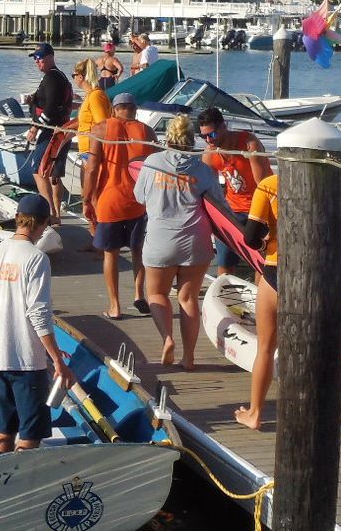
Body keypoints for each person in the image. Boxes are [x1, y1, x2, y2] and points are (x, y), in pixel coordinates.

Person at [0, 194, 74, 453]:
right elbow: (38, 313)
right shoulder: (36, 258)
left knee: (5, 428)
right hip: (26, 361)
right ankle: (20, 475)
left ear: (17, 218)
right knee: (30, 434)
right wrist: (57, 360)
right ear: (45, 223)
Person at [134, 114, 223, 369]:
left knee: (157, 294)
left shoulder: (152, 163)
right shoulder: (204, 170)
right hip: (196, 241)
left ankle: (167, 338)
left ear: (168, 139)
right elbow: (219, 206)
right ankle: (189, 357)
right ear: (191, 140)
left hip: (160, 240)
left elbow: (139, 196)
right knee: (188, 298)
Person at [83, 93, 157, 320]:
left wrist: (86, 199)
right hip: (138, 201)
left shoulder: (101, 129)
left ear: (114, 109)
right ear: (134, 109)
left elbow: (92, 169)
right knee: (138, 250)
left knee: (111, 254)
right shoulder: (147, 132)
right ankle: (139, 294)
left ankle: (115, 306)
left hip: (110, 200)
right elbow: (156, 168)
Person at [198, 107, 272, 275]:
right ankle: (224, 288)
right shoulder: (210, 152)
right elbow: (210, 190)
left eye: (212, 134)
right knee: (224, 261)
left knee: (261, 262)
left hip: (257, 209)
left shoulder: (248, 144)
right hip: (232, 209)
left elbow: (263, 185)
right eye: (204, 136)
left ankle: (261, 291)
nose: (209, 140)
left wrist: (267, 218)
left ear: (223, 126)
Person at [234, 173, 279, 430]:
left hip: (277, 270)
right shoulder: (331, 181)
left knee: (266, 348)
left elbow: (251, 237)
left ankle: (255, 413)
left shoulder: (270, 185)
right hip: (317, 275)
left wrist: (264, 246)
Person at [23, 43, 74, 225]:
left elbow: (51, 107)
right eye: (35, 59)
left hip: (52, 131)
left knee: (38, 170)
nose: (37, 62)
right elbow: (49, 99)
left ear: (51, 57)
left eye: (40, 58)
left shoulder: (52, 77)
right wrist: (32, 99)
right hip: (61, 130)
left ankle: (49, 214)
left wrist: (35, 128)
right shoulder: (56, 76)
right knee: (54, 175)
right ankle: (56, 214)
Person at [72, 58, 112, 238]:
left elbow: (102, 124)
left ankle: (100, 240)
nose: (74, 78)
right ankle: (94, 237)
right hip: (86, 152)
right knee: (87, 195)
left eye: (74, 75)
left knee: (93, 196)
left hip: (92, 152)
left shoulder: (95, 96)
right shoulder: (90, 96)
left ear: (80, 76)